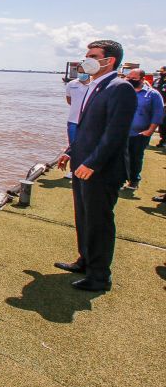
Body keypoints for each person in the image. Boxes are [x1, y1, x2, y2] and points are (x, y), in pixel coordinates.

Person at [56, 40, 137, 292]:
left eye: (92, 55)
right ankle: (85, 260)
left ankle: (100, 276)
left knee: (99, 221)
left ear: (109, 60)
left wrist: (92, 162)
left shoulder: (119, 88)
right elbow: (88, 129)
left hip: (100, 170)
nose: (86, 59)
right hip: (83, 164)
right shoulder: (96, 86)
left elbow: (115, 133)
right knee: (84, 217)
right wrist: (70, 151)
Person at [123, 69, 164, 190]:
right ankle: (120, 179)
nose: (130, 80)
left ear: (142, 79)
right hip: (122, 131)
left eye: (134, 78)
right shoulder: (124, 92)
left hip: (140, 133)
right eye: (128, 77)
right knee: (120, 156)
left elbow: (158, 114)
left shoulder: (152, 94)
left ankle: (134, 180)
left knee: (135, 156)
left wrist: (149, 131)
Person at [64, 70, 91, 178]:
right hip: (73, 120)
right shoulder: (71, 84)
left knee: (89, 145)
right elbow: (69, 100)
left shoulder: (94, 85)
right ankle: (73, 169)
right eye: (79, 72)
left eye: (83, 72)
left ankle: (87, 167)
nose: (81, 74)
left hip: (89, 120)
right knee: (73, 145)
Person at [154, 66, 166, 147]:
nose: (161, 73)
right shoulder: (158, 80)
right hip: (159, 104)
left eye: (163, 71)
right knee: (161, 123)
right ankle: (163, 139)